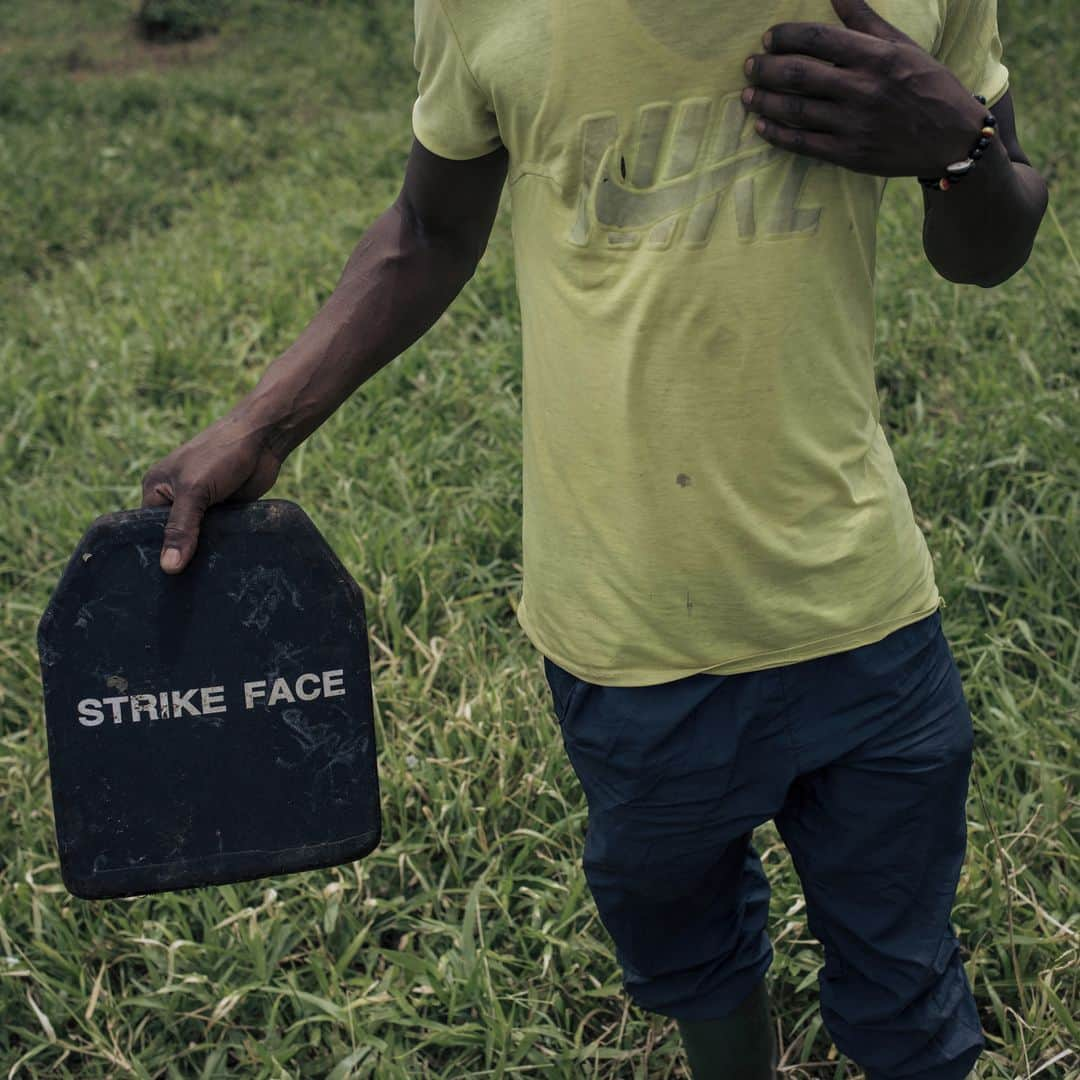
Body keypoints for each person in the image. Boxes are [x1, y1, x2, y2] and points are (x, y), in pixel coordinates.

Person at [140, 0, 1048, 1075]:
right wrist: (262, 424)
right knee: (693, 952)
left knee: (907, 985)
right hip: (627, 627)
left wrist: (959, 149)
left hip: (863, 609)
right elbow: (429, 229)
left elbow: (988, 250)